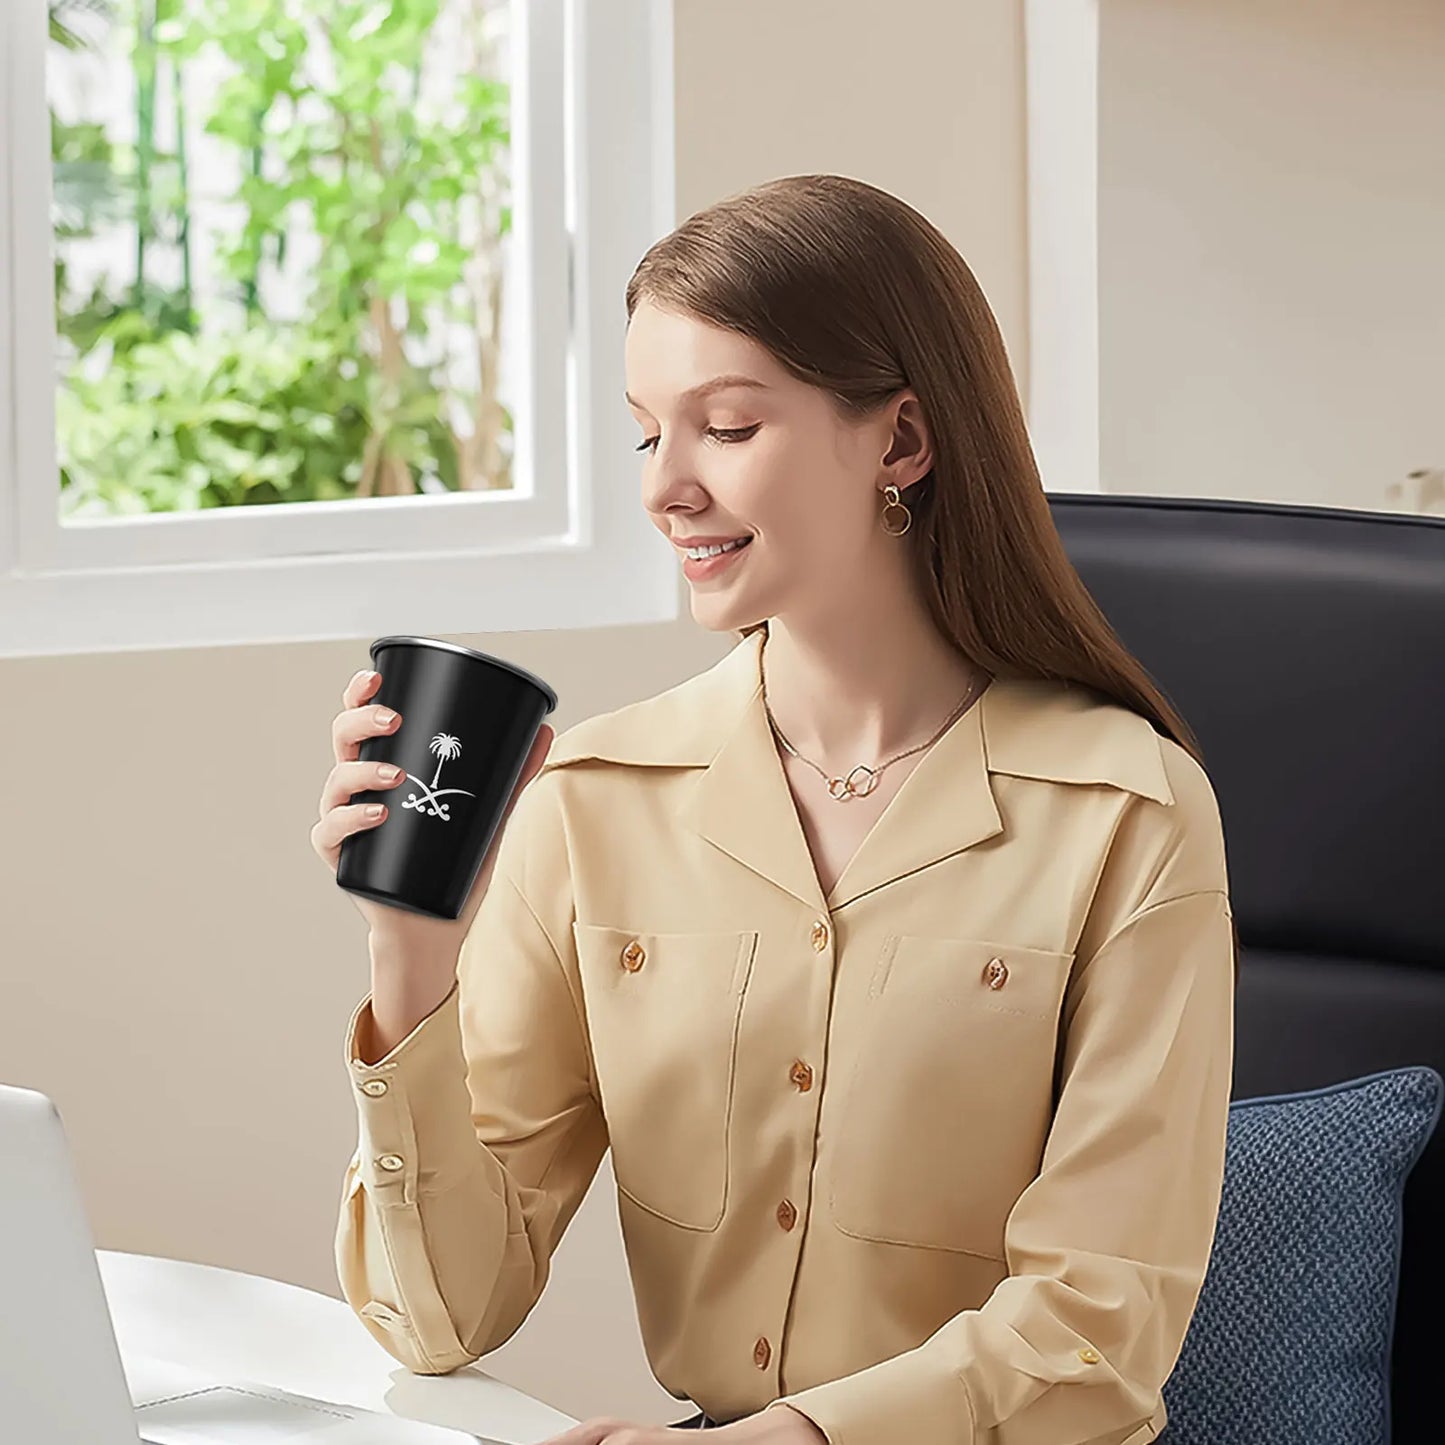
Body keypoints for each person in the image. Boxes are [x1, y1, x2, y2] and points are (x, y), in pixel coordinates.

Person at [312, 174, 1238, 1445]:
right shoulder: (595, 802)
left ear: (900, 440)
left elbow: (1098, 1330)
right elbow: (440, 1319)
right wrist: (411, 954)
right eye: (648, 433)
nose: (664, 488)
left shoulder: (1125, 814)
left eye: (727, 427)